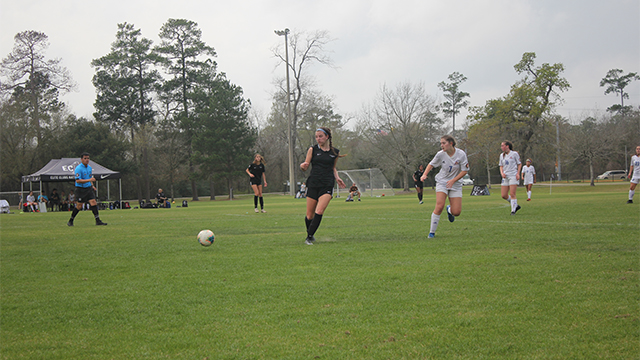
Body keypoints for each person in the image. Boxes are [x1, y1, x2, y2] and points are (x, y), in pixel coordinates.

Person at [300, 127, 346, 245]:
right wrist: (303, 166)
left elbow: (333, 168)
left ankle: (309, 237)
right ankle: (310, 233)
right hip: (314, 183)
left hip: (327, 183)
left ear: (327, 137)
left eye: (320, 136)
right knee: (309, 215)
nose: (318, 139)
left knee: (319, 211)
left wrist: (337, 177)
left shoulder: (335, 152)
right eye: (316, 137)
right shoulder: (313, 149)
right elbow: (306, 165)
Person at [420, 135, 469, 238]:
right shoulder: (440, 154)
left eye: (444, 143)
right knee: (439, 206)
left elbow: (465, 170)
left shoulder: (461, 154)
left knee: (456, 212)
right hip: (442, 182)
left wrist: (453, 180)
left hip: (455, 184)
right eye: (441, 143)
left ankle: (449, 210)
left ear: (451, 143)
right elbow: (431, 164)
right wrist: (424, 174)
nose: (442, 145)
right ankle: (431, 233)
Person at [67, 152, 107, 226]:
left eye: (88, 158)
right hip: (81, 189)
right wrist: (89, 180)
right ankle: (71, 220)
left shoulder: (89, 168)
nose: (87, 160)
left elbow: (89, 178)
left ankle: (98, 220)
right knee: (79, 206)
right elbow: (78, 180)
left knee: (93, 202)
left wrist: (92, 185)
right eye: (85, 158)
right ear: (81, 159)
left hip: (88, 188)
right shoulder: (78, 168)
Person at [499, 141, 522, 215]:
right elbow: (501, 166)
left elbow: (519, 164)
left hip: (513, 175)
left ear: (507, 146)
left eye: (503, 145)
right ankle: (516, 205)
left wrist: (518, 173)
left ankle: (513, 210)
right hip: (505, 176)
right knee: (504, 195)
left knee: (512, 193)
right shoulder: (502, 155)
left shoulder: (514, 154)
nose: (502, 147)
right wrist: (502, 173)